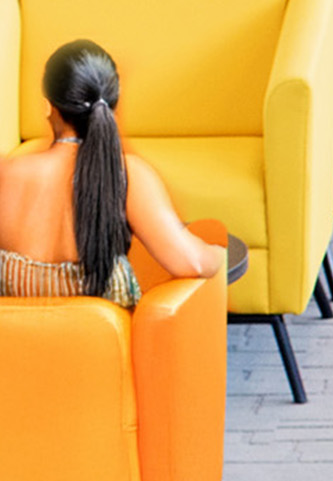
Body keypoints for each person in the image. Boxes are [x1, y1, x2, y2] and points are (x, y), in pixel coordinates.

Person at [0, 38, 221, 307]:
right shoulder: (128, 174)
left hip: (16, 335)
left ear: (49, 107)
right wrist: (219, 255)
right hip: (104, 335)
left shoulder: (6, 175)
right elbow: (191, 262)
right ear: (112, 106)